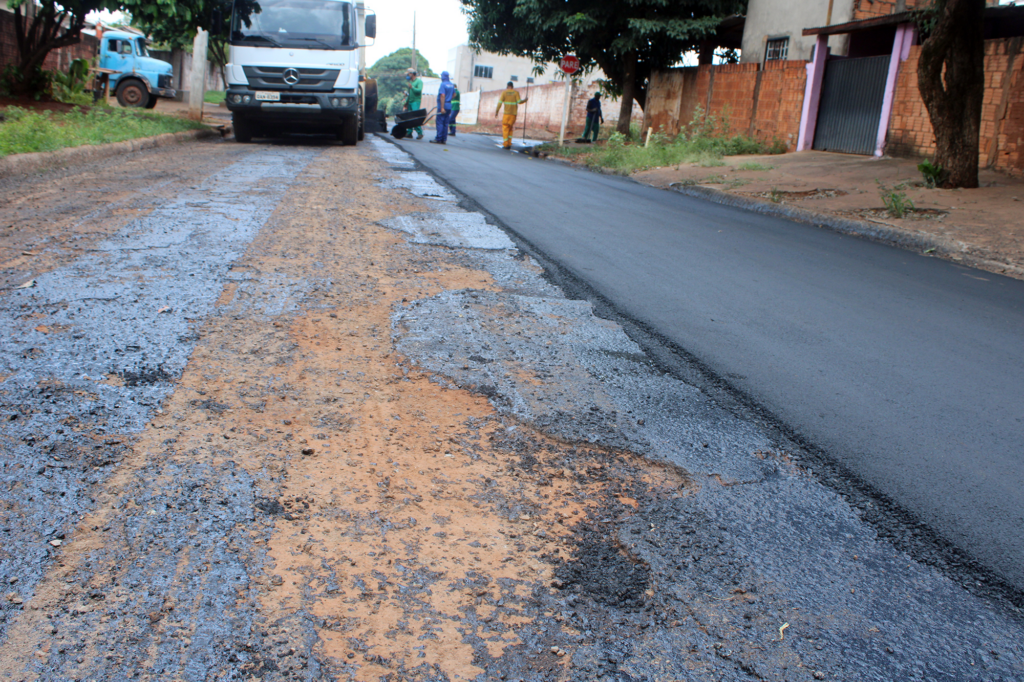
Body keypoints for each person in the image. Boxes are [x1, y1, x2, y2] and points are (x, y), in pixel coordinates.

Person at [495, 81, 527, 150]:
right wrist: (525, 100)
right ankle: (509, 143)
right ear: (512, 86)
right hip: (513, 115)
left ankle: (506, 144)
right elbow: (519, 102)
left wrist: (497, 111)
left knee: (505, 128)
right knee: (510, 128)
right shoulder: (516, 93)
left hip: (506, 114)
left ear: (507, 86)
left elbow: (499, 103)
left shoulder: (504, 93)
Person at [431, 71, 455, 144]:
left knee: (440, 122)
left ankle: (439, 138)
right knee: (446, 123)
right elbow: (454, 94)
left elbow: (442, 95)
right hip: (449, 105)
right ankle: (444, 139)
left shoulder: (443, 84)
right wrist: (449, 99)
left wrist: (442, 107)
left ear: (443, 76)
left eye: (441, 76)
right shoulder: (451, 84)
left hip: (443, 105)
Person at [404, 68, 424, 140]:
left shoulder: (419, 82)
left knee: (415, 117)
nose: (407, 75)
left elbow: (418, 91)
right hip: (410, 101)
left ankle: (420, 133)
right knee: (409, 117)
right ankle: (409, 132)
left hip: (416, 101)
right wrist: (406, 102)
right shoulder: (410, 82)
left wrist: (412, 87)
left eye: (408, 73)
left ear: (412, 74)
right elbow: (409, 94)